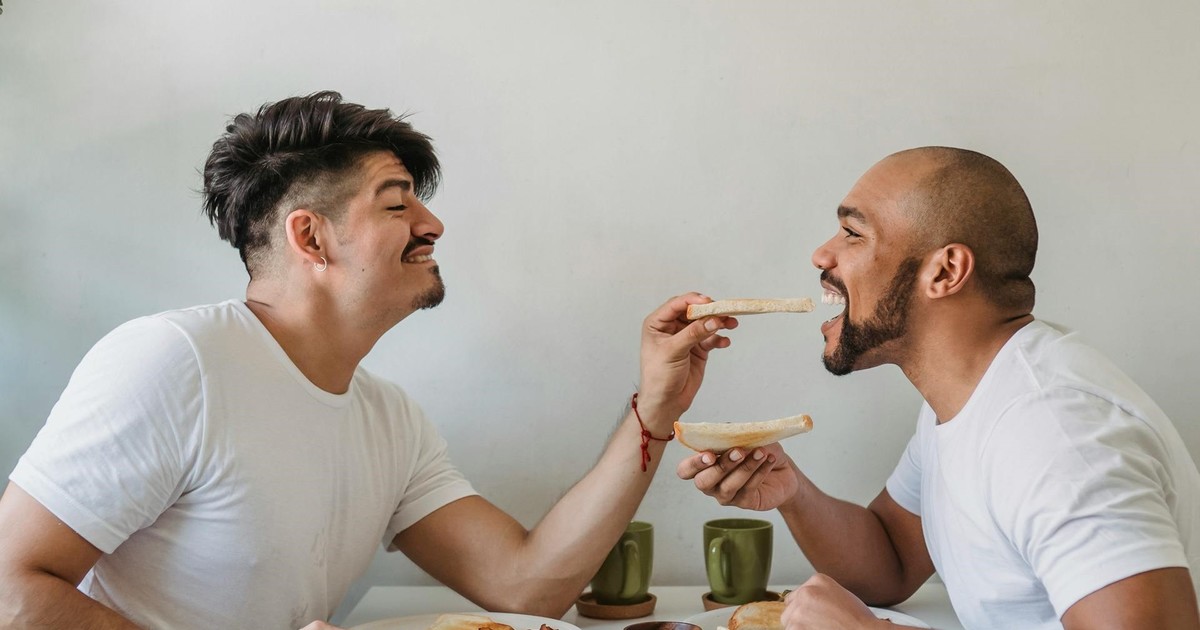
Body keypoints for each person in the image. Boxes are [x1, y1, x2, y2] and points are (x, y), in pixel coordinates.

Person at [0, 91, 738, 630]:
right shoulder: (175, 361)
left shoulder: (389, 420)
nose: (433, 224)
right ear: (311, 238)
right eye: (397, 203)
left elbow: (527, 587)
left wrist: (654, 408)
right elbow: (12, 590)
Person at [678, 147, 1200, 629]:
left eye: (853, 233)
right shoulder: (967, 398)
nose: (821, 254)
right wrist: (792, 492)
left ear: (945, 271)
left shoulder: (1055, 435)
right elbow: (891, 563)